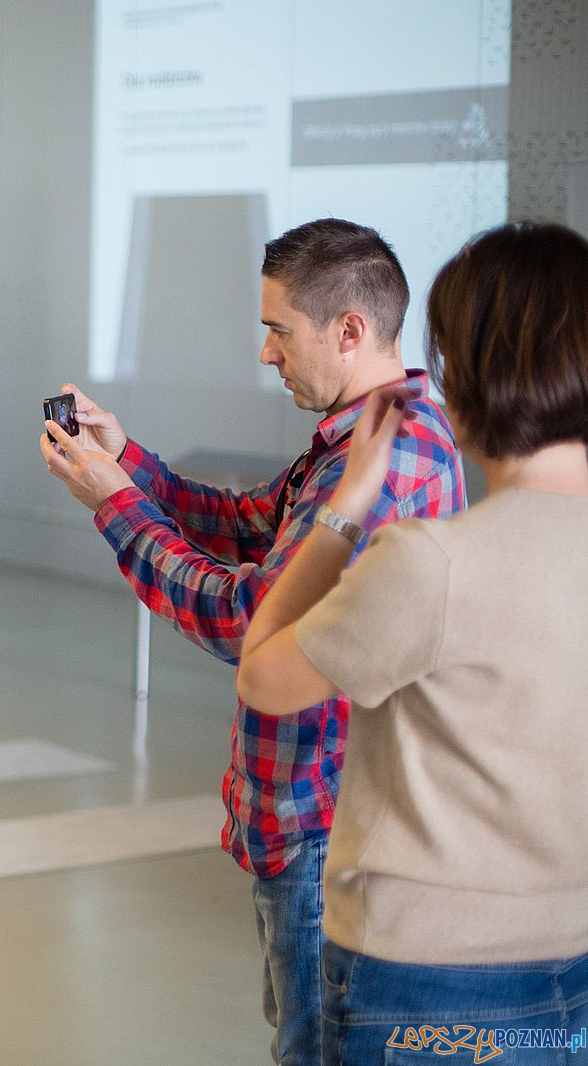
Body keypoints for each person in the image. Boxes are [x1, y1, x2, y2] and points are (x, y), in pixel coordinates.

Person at [38, 218, 465, 1066]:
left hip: (326, 826)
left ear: (349, 330)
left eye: (279, 331)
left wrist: (115, 505)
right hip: (308, 820)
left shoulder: (389, 458)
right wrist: (129, 463)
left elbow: (249, 620)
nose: (266, 355)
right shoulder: (363, 435)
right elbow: (250, 524)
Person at [237, 222, 588, 1065]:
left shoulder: (432, 566)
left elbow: (263, 673)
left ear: (466, 374)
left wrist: (347, 505)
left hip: (428, 983)